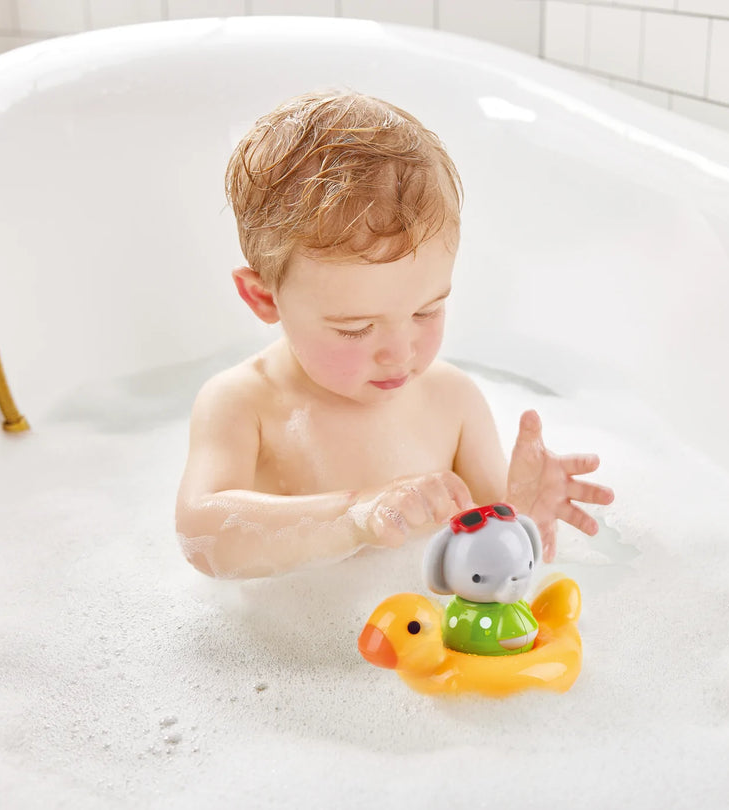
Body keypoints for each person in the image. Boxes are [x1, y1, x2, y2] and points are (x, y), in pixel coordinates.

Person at [175, 90, 613, 579]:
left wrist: (523, 512)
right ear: (264, 298)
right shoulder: (244, 404)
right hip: (298, 625)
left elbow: (491, 552)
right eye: (355, 329)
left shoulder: (453, 401)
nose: (400, 354)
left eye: (427, 312)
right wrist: (356, 515)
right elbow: (202, 537)